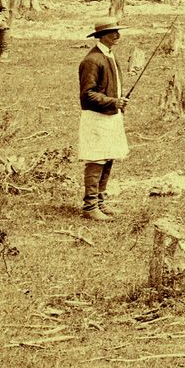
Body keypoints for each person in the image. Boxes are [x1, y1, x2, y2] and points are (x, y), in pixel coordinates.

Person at [77, 20, 130, 222]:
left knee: (109, 157)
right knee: (96, 158)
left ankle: (100, 202)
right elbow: (87, 95)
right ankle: (90, 206)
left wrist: (117, 101)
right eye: (112, 32)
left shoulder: (110, 55)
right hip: (96, 118)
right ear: (101, 36)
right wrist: (114, 101)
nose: (117, 35)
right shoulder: (92, 60)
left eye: (117, 31)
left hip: (111, 115)